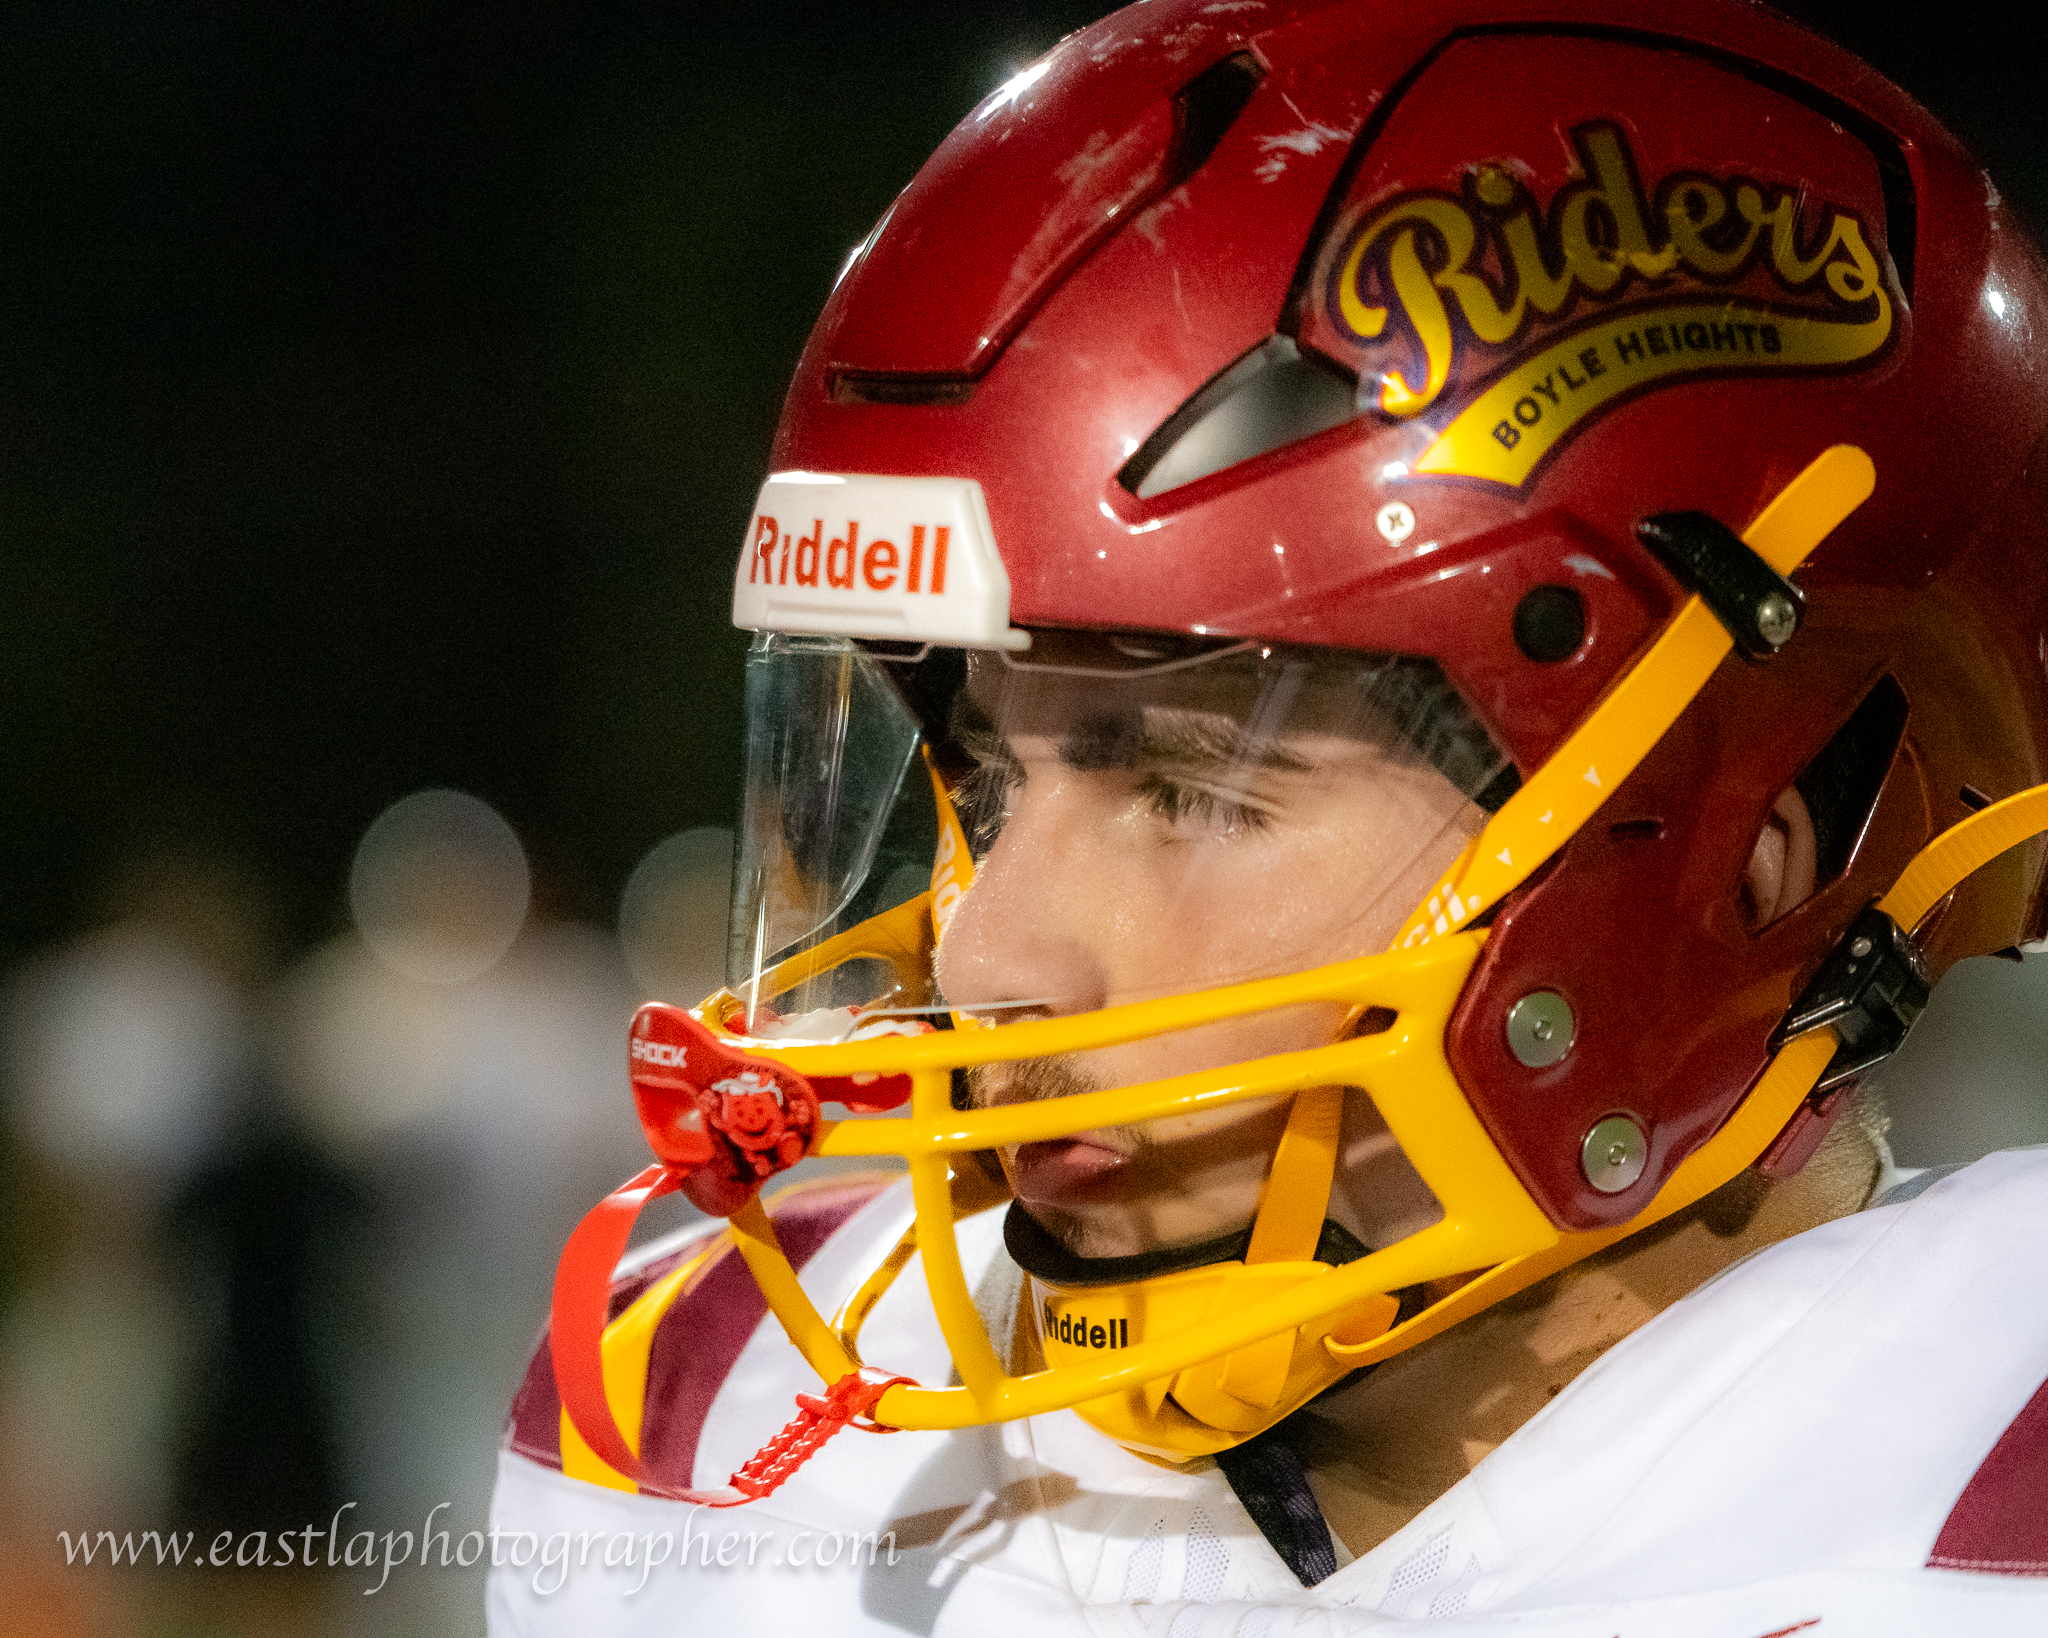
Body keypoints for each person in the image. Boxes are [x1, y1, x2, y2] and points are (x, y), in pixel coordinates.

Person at [488, 1, 2048, 1631]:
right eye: (991, 785)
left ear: (1744, 854)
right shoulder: (704, 1418)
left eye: (1194, 788)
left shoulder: (1982, 1513)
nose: (989, 953)